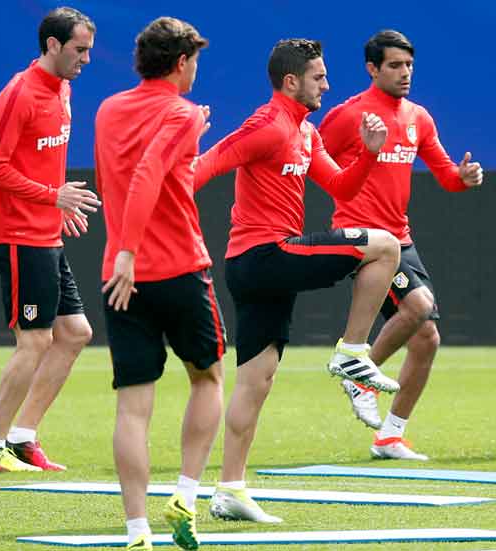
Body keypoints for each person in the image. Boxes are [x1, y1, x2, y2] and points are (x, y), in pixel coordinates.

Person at [192, 38, 400, 523]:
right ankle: (352, 353)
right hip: (264, 255)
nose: (327, 85)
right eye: (318, 77)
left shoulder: (306, 131)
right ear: (291, 81)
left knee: (256, 382)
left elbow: (342, 186)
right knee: (386, 245)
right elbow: (205, 167)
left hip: (260, 266)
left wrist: (369, 154)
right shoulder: (267, 125)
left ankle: (230, 489)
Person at [319, 29, 483, 460]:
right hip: (365, 239)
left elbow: (446, 175)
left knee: (427, 338)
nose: (405, 72)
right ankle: (359, 374)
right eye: (394, 65)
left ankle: (390, 436)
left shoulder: (418, 117)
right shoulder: (346, 115)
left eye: (409, 65)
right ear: (372, 69)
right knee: (419, 306)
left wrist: (464, 178)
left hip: (400, 238)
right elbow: (313, 161)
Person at [96, 17, 224, 551]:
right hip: (176, 268)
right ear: (181, 62)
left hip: (119, 278)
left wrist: (122, 253)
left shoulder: (107, 109)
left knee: (132, 406)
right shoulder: (182, 112)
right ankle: (186, 494)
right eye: (195, 61)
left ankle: (136, 530)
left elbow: (125, 177)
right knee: (208, 378)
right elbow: (149, 172)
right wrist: (131, 249)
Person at [0, 6, 99, 473]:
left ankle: (23, 437)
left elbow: (41, 160)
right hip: (15, 235)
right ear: (52, 44)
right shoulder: (20, 93)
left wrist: (57, 204)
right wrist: (52, 196)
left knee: (75, 333)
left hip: (44, 233)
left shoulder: (63, 89)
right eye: (79, 49)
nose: (86, 59)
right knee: (35, 340)